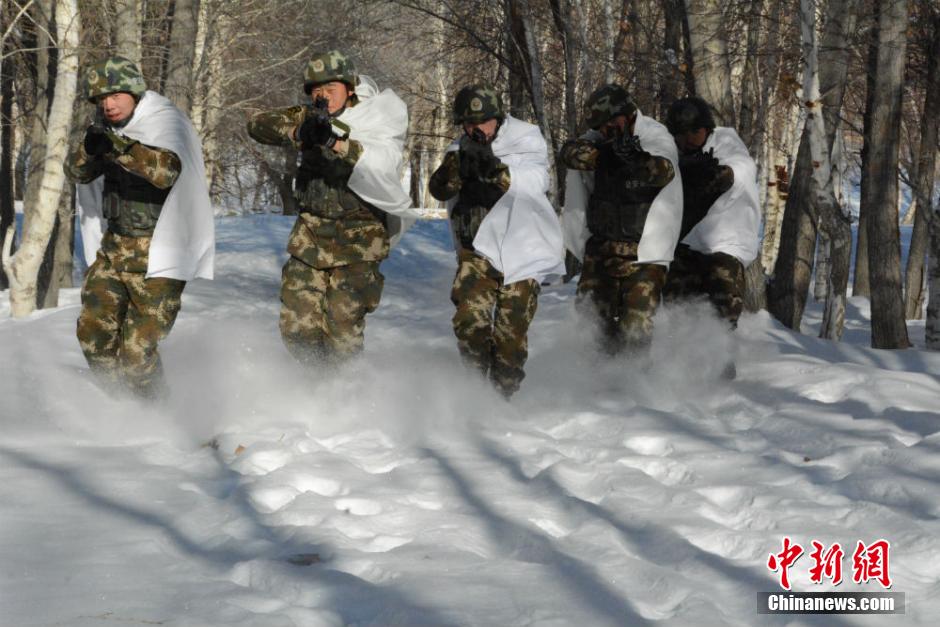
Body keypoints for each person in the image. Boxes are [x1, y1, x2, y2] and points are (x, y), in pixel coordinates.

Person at [246, 50, 413, 365]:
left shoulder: (376, 116)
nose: (323, 96)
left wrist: (336, 142)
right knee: (297, 328)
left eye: (330, 89)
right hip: (311, 236)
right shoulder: (309, 116)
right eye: (316, 91)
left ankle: (343, 400)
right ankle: (316, 390)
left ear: (349, 89)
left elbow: (383, 161)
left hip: (359, 241)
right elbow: (258, 125)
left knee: (342, 333)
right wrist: (298, 132)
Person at [66, 55, 214, 399]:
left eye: (116, 95)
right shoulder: (105, 130)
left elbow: (166, 171)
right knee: (93, 337)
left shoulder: (163, 121)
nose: (108, 104)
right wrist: (90, 150)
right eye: (101, 98)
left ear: (134, 92)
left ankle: (157, 415)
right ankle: (119, 407)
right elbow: (77, 174)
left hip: (160, 256)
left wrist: (118, 148)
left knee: (137, 353)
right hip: (115, 249)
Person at [429, 85, 564, 397]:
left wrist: (495, 169)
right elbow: (440, 190)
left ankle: (503, 394)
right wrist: (459, 166)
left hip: (522, 251)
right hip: (476, 253)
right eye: (469, 124)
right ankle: (477, 393)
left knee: (509, 336)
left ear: (498, 119)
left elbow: (535, 181)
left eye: (483, 123)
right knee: (469, 323)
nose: (477, 130)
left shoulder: (525, 139)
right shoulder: (458, 149)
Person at [560, 84, 682, 356]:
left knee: (636, 327)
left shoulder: (653, 136)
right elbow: (569, 153)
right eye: (602, 126)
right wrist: (606, 155)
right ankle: (594, 385)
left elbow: (664, 171)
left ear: (626, 116)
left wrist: (636, 159)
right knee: (591, 323)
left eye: (611, 123)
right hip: (601, 248)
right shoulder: (596, 139)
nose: (607, 130)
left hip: (643, 253)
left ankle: (632, 390)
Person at [662, 96, 761, 379]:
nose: (690, 139)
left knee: (722, 310)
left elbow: (740, 170)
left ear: (707, 129)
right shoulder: (672, 153)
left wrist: (720, 175)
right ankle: (677, 368)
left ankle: (721, 373)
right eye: (682, 134)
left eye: (696, 131)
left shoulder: (725, 144)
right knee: (677, 307)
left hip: (724, 245)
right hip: (685, 244)